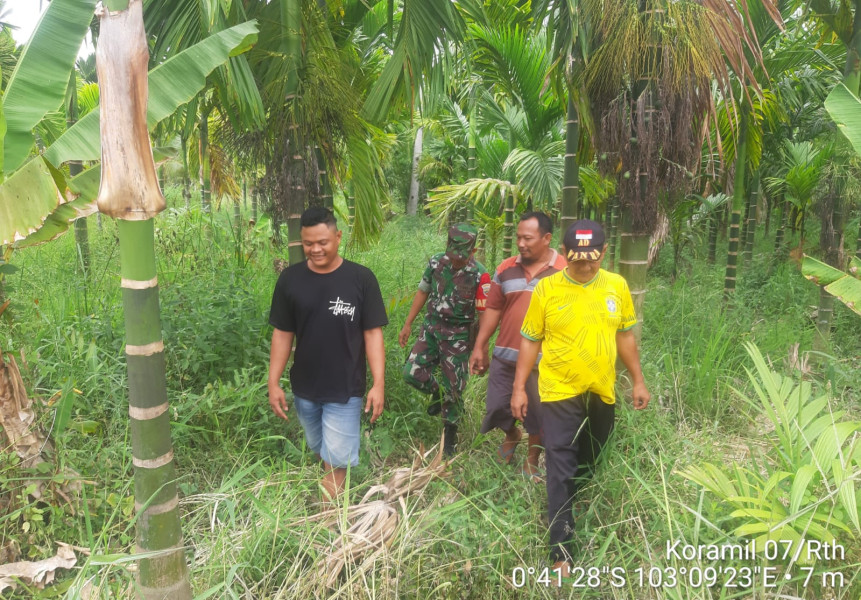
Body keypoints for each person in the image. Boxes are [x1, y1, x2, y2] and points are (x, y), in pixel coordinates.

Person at [511, 219, 650, 574]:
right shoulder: (547, 289)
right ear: (565, 254)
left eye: (592, 259)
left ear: (605, 252)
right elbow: (530, 339)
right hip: (558, 391)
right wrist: (518, 387)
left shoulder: (617, 287)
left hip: (601, 391)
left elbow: (625, 337)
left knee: (590, 457)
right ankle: (561, 550)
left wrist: (637, 380)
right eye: (576, 260)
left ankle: (575, 501)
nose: (584, 266)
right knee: (559, 463)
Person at [268, 206, 387, 500]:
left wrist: (378, 383)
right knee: (321, 449)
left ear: (338, 236)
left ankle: (328, 523)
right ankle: (330, 500)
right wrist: (273, 382)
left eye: (323, 242)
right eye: (308, 244)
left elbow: (373, 334)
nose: (315, 249)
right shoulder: (290, 281)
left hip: (346, 387)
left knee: (335, 461)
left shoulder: (361, 279)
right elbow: (283, 333)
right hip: (305, 387)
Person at [469, 212, 567, 481]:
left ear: (547, 239)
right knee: (497, 407)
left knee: (537, 415)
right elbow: (494, 308)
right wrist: (480, 345)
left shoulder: (564, 271)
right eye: (518, 238)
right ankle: (512, 434)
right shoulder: (505, 268)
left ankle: (532, 460)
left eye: (528, 238)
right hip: (505, 356)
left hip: (544, 361)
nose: (521, 244)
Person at [399, 224, 491, 456]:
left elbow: (484, 314)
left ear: (474, 251)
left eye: (462, 257)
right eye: (453, 255)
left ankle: (449, 440)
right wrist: (408, 323)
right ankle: (438, 394)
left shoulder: (481, 274)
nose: (456, 261)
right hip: (431, 329)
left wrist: (482, 346)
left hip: (458, 336)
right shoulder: (436, 263)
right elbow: (423, 291)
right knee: (411, 372)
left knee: (455, 388)